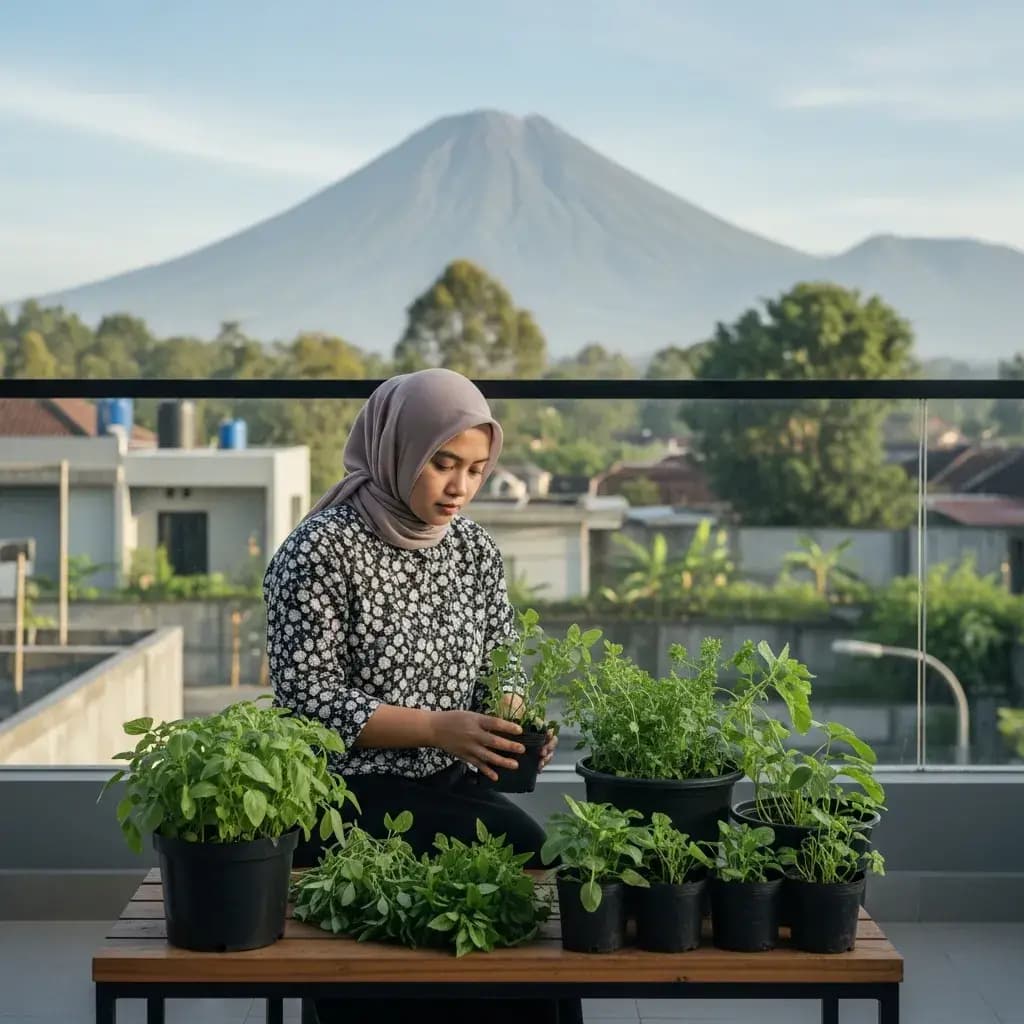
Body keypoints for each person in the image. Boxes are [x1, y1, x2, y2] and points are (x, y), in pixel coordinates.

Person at [264, 369, 570, 1024]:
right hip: (346, 794)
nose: (460, 487)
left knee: (539, 865)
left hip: (446, 782)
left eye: (477, 470)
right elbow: (305, 699)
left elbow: (501, 657)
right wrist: (436, 728)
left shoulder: (473, 549)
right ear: (396, 450)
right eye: (443, 463)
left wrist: (509, 723)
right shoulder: (321, 549)